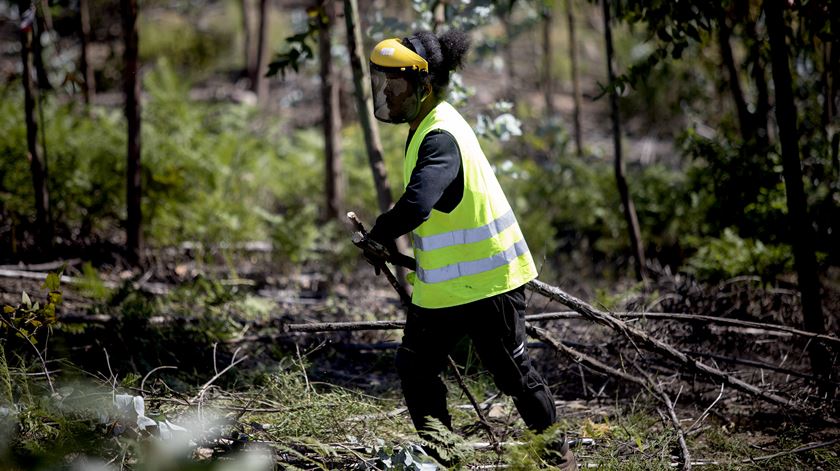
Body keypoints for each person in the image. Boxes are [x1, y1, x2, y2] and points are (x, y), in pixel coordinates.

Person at [365, 30, 575, 469]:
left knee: (512, 374)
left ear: (423, 85)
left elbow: (419, 202)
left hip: (490, 281)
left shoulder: (440, 135)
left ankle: (558, 460)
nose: (387, 91)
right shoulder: (427, 126)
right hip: (445, 287)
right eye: (383, 81)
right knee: (416, 370)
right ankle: (450, 460)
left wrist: (381, 232)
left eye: (396, 83)